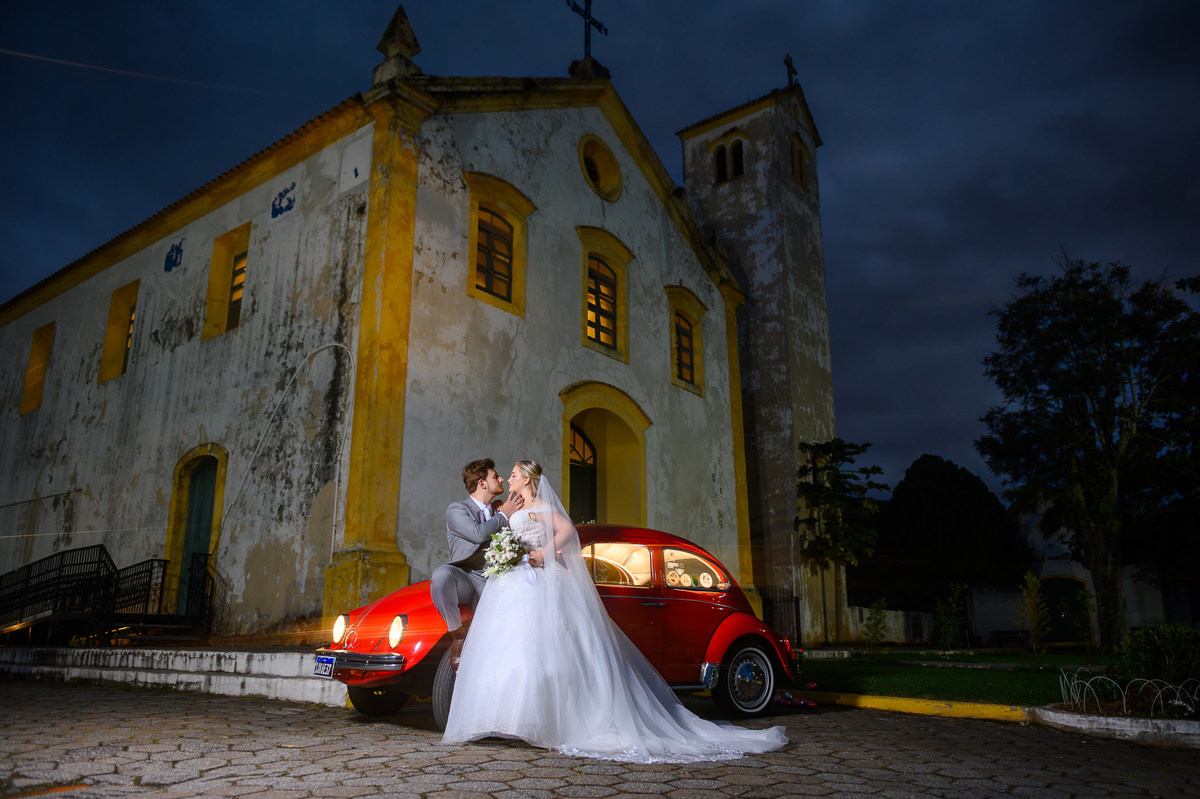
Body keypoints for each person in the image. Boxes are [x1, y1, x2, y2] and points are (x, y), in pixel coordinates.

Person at [442, 460, 787, 763]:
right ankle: (505, 719)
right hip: (514, 582)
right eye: (505, 475)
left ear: (528, 479)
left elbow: (567, 531)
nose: (508, 478)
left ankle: (548, 720)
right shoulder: (510, 507)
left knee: (548, 651)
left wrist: (543, 554)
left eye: (514, 474)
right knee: (513, 649)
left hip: (538, 578)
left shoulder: (542, 507)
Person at [430, 458, 524, 670]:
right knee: (441, 575)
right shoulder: (457, 509)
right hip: (466, 576)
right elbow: (477, 533)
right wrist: (503, 514)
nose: (501, 479)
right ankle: (458, 635)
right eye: (495, 476)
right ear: (482, 483)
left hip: (495, 577)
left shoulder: (500, 509)